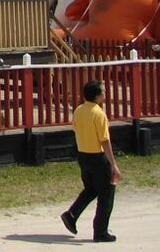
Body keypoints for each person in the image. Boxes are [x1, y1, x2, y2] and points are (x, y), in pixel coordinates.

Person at [61, 79, 121, 243]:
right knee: (106, 195)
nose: (105, 93)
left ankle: (71, 215)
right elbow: (105, 141)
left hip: (83, 155)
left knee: (91, 189)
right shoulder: (98, 113)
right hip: (98, 157)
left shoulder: (79, 110)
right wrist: (113, 164)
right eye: (103, 91)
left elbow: (76, 129)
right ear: (97, 96)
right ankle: (100, 232)